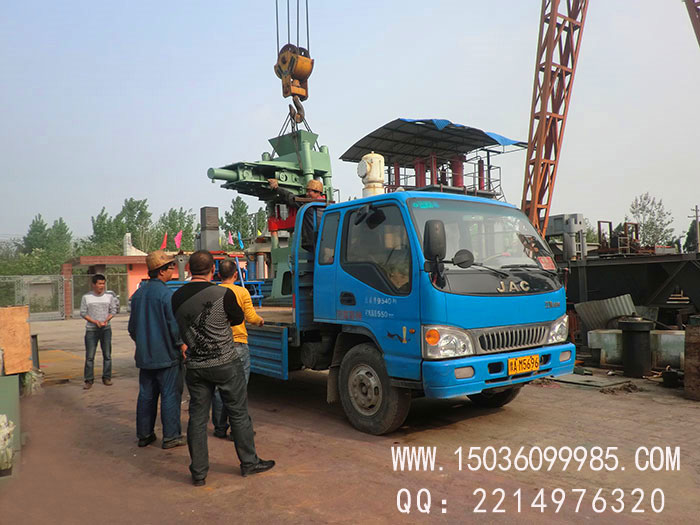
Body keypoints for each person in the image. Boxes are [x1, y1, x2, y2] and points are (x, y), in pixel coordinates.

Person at [171, 250, 275, 486]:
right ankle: (249, 463)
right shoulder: (223, 294)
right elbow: (237, 319)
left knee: (197, 419)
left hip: (195, 365)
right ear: (212, 270)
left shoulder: (176, 297)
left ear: (189, 269)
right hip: (225, 361)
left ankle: (199, 473)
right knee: (238, 412)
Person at [128, 250, 187, 449]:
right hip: (166, 356)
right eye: (171, 267)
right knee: (170, 394)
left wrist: (144, 344)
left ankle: (144, 435)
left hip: (145, 357)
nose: (173, 270)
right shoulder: (166, 295)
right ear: (161, 271)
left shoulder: (138, 295)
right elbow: (174, 326)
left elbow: (132, 328)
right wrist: (181, 344)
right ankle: (171, 436)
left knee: (146, 395)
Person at [211, 259, 264, 439]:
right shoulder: (242, 292)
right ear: (236, 274)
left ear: (219, 274)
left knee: (219, 388)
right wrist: (260, 321)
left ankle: (219, 428)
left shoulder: (213, 292)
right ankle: (238, 430)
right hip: (238, 345)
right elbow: (251, 317)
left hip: (218, 345)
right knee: (238, 389)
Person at [80, 274, 118, 390]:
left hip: (106, 329)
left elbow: (113, 310)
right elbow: (83, 313)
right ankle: (89, 380)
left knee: (107, 355)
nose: (102, 286)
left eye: (103, 283)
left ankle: (107, 377)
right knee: (90, 356)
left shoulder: (109, 297)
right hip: (91, 330)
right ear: (93, 284)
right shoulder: (87, 297)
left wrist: (106, 320)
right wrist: (94, 321)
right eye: (99, 284)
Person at [268, 177, 326, 252]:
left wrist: (277, 188)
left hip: (313, 242)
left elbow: (291, 198)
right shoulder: (327, 205)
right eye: (307, 191)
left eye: (309, 191)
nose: (307, 194)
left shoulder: (309, 206)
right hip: (325, 241)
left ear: (318, 192)